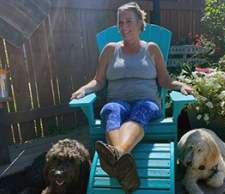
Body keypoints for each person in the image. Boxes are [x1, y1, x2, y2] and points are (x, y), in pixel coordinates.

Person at [71, 2, 192, 192]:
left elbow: (165, 81)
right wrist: (84, 89)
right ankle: (124, 166)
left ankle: (116, 155)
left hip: (147, 103)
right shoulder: (110, 50)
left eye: (128, 21)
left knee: (140, 109)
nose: (124, 26)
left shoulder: (151, 49)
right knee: (111, 109)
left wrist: (180, 85)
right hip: (118, 102)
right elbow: (98, 81)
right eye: (120, 22)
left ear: (139, 23)